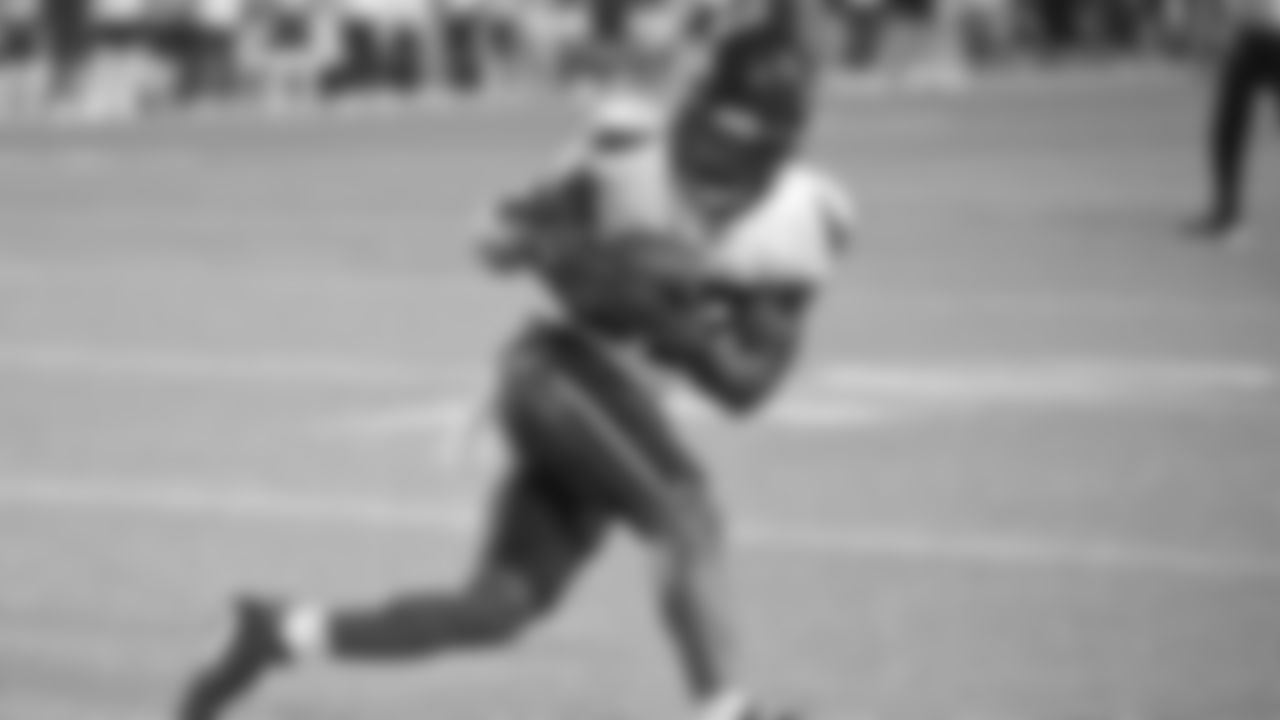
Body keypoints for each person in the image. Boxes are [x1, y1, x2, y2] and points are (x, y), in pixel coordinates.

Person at [175, 3, 855, 720]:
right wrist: (579, 260)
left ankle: (274, 633)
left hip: (619, 411)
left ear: (778, 146)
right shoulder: (625, 154)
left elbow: (748, 387)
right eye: (712, 126)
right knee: (686, 511)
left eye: (739, 140)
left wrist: (672, 324)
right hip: (555, 371)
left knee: (495, 609)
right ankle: (725, 710)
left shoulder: (802, 223)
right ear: (696, 101)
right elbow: (494, 232)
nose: (716, 153)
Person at [1191, 0, 1280, 243]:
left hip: (1270, 32)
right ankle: (1227, 212)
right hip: (1249, 35)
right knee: (1227, 127)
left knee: (1228, 128)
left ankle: (1227, 213)